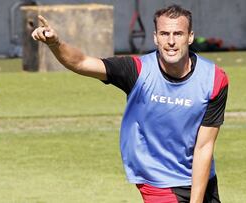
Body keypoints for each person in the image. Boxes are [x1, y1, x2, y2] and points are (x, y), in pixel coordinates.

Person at [31, 4, 229, 203]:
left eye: (178, 34)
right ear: (155, 37)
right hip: (156, 178)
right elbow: (81, 62)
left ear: (190, 37)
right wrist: (56, 43)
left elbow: (204, 146)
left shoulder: (214, 79)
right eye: (164, 34)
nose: (170, 41)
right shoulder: (137, 70)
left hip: (201, 176)